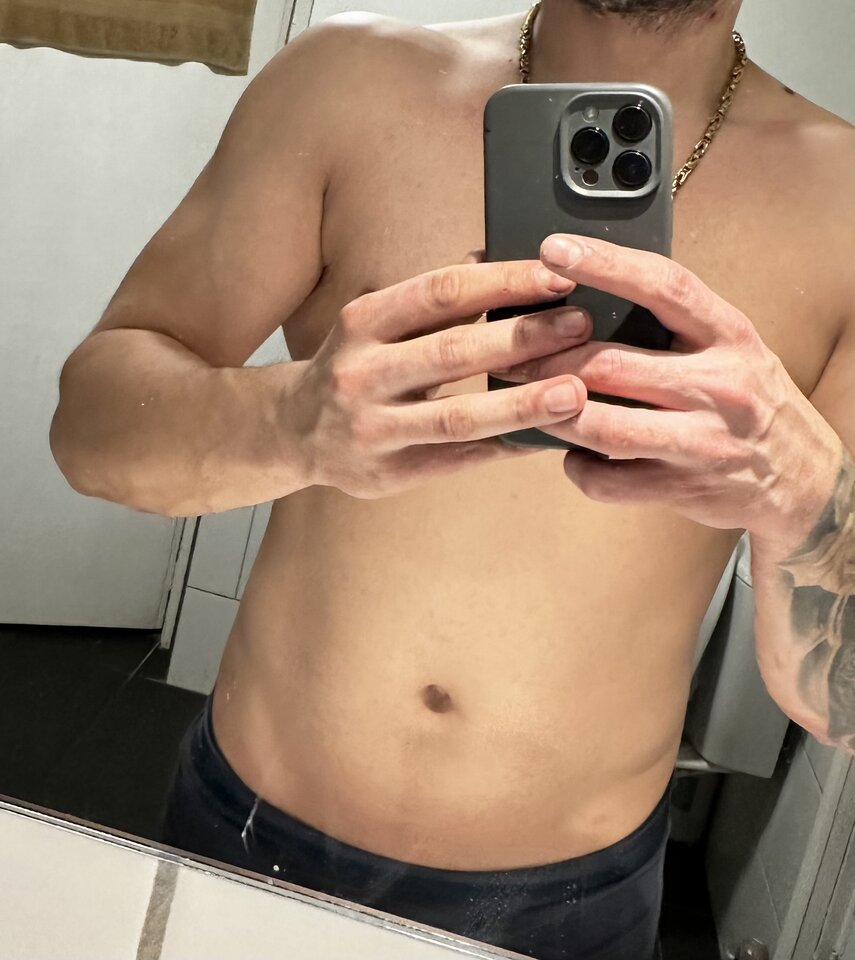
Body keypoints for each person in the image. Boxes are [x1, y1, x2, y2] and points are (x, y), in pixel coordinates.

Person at [49, 1, 855, 958]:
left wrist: (807, 496)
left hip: (572, 909)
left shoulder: (842, 204)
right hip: (248, 830)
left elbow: (839, 708)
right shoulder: (343, 82)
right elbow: (88, 431)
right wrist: (290, 423)